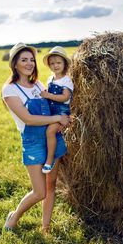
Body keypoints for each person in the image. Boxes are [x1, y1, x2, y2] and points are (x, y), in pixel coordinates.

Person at [1, 42, 70, 234]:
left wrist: (64, 116)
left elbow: (56, 104)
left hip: (51, 137)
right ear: (15, 64)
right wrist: (57, 118)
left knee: (51, 185)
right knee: (39, 191)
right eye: (24, 60)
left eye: (31, 59)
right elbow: (28, 118)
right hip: (33, 142)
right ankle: (14, 217)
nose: (29, 63)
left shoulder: (39, 84)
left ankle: (45, 227)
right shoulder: (10, 90)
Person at [40, 46, 74, 174]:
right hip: (51, 111)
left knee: (50, 132)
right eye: (52, 63)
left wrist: (49, 95)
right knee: (45, 131)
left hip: (61, 112)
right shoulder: (50, 79)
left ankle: (49, 160)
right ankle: (49, 153)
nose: (55, 66)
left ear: (64, 64)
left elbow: (65, 97)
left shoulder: (67, 80)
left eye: (58, 63)